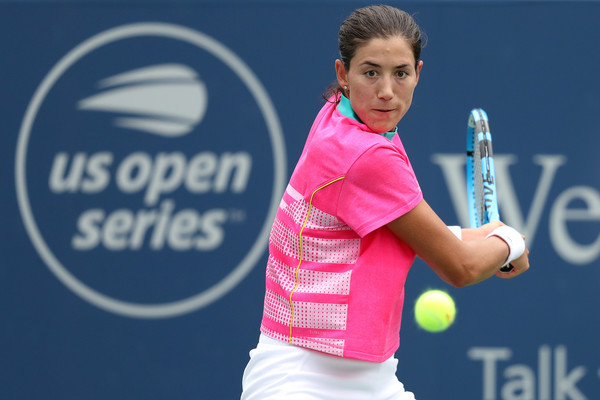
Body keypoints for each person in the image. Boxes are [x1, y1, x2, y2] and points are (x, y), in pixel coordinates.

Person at [241, 4, 530, 400]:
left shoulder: (340, 117)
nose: (386, 92)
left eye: (401, 74)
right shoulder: (367, 155)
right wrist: (511, 241)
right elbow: (461, 268)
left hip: (371, 378)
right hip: (302, 381)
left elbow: (383, 231)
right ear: (343, 74)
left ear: (418, 74)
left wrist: (475, 235)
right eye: (370, 72)